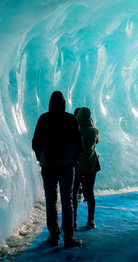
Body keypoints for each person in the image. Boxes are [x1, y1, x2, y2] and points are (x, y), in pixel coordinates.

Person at [32, 91, 83, 249]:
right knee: (67, 201)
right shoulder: (70, 119)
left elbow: (35, 142)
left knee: (51, 201)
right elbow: (79, 143)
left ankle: (54, 237)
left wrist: (41, 158)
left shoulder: (43, 119)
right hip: (67, 165)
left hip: (48, 166)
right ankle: (69, 238)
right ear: (63, 103)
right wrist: (75, 159)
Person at [72, 107, 101, 229]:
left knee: (73, 192)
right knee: (90, 191)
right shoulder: (94, 131)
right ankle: (91, 220)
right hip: (91, 164)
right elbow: (97, 142)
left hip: (77, 165)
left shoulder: (75, 130)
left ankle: (73, 220)